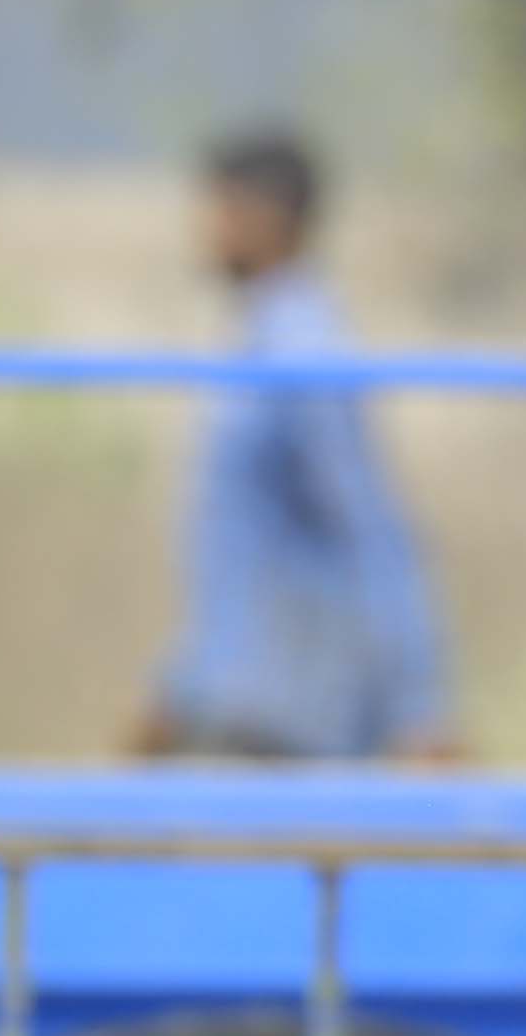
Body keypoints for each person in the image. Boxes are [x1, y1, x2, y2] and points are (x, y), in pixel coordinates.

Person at [135, 125, 453, 761]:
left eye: (221, 209)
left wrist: (421, 708)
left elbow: (367, 524)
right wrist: (181, 687)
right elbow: (243, 556)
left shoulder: (303, 351)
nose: (209, 230)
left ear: (266, 216)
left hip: (290, 717)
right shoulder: (259, 343)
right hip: (240, 700)